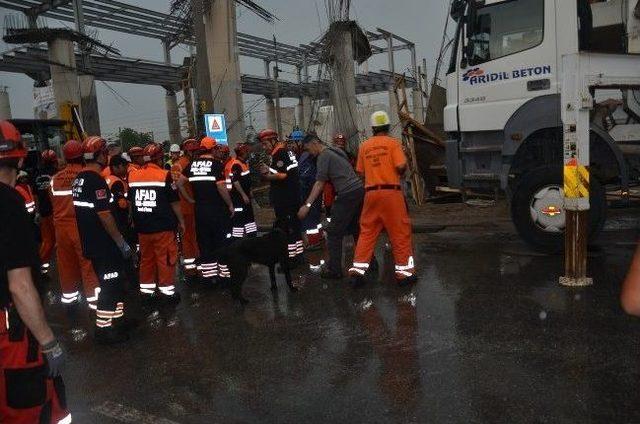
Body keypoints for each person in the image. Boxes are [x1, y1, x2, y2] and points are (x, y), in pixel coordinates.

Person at [0, 120, 70, 423]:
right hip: (9, 330)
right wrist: (48, 341)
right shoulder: (9, 201)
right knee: (30, 408)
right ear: (19, 157)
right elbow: (20, 286)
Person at [73, 135, 135, 344]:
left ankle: (116, 322)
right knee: (109, 286)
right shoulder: (95, 179)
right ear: (101, 155)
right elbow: (104, 214)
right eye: (106, 153)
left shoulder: (80, 179)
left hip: (93, 242)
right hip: (104, 244)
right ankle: (103, 330)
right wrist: (120, 241)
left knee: (115, 283)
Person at [348, 111, 417, 287]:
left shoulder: (364, 146)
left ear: (373, 128)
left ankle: (357, 272)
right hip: (391, 193)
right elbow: (401, 166)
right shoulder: (393, 144)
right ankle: (404, 274)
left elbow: (360, 172)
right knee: (399, 233)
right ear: (387, 126)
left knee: (367, 233)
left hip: (371, 194)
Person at [297, 133, 364, 279]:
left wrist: (307, 205)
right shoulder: (336, 150)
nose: (309, 153)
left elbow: (319, 183)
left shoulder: (323, 156)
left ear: (315, 143)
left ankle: (334, 270)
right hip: (358, 190)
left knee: (333, 233)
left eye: (309, 149)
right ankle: (370, 265)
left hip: (347, 193)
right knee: (356, 229)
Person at [129, 142, 184, 304]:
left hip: (142, 228)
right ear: (159, 159)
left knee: (146, 259)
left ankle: (147, 292)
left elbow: (131, 202)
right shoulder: (164, 175)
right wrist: (182, 222)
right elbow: (174, 202)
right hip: (162, 227)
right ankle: (167, 293)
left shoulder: (133, 176)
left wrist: (132, 219)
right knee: (165, 259)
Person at [51, 140, 100, 313]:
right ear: (82, 156)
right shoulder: (86, 175)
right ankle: (95, 304)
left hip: (61, 229)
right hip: (81, 226)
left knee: (66, 266)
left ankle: (70, 301)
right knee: (88, 265)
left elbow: (53, 204)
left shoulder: (55, 179)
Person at [186, 137, 235, 284]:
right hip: (217, 210)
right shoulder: (216, 165)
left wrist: (189, 199)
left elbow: (180, 182)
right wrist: (230, 204)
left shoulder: (192, 165)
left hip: (200, 210)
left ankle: (209, 278)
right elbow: (221, 187)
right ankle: (225, 277)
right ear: (213, 149)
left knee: (205, 243)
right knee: (221, 242)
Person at [258, 129, 304, 263]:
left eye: (265, 144)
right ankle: (298, 255)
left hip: (285, 199)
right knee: (294, 228)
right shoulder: (287, 151)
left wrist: (266, 176)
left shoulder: (279, 153)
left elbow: (282, 175)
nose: (264, 147)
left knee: (288, 229)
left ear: (273, 141)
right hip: (292, 196)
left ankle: (291, 259)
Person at [171, 139, 200, 276]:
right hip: (185, 207)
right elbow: (177, 186)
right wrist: (190, 199)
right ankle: (192, 268)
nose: (196, 154)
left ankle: (195, 266)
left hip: (189, 206)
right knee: (189, 238)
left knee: (191, 237)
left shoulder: (181, 164)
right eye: (194, 151)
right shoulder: (180, 165)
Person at [36, 149, 58, 276]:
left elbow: (35, 195)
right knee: (61, 242)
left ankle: (40, 268)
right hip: (55, 212)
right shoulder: (56, 174)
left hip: (43, 212)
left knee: (47, 241)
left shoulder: (38, 175)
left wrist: (38, 212)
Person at [228, 142, 257, 237]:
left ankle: (251, 237)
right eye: (247, 152)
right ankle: (237, 240)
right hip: (239, 198)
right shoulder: (236, 164)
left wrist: (249, 191)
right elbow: (235, 181)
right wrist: (243, 195)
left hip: (245, 196)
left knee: (249, 219)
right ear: (243, 153)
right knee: (239, 221)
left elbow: (246, 180)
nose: (248, 154)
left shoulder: (243, 163)